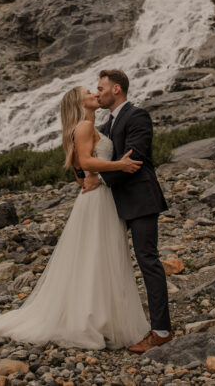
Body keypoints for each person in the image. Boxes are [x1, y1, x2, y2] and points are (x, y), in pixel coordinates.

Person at [0, 86, 148, 350]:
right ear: (79, 101)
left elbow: (79, 175)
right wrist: (119, 166)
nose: (95, 94)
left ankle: (96, 316)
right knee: (99, 255)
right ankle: (93, 319)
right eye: (89, 92)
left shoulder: (85, 127)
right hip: (98, 201)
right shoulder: (85, 128)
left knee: (96, 256)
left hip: (97, 198)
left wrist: (94, 177)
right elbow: (86, 164)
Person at [82, 69, 174, 353]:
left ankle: (161, 331)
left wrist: (101, 178)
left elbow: (135, 159)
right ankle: (111, 322)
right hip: (115, 203)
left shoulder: (137, 115)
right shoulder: (108, 123)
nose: (97, 93)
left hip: (141, 200)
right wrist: (86, 171)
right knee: (111, 261)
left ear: (117, 89)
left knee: (148, 260)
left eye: (101, 88)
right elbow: (98, 155)